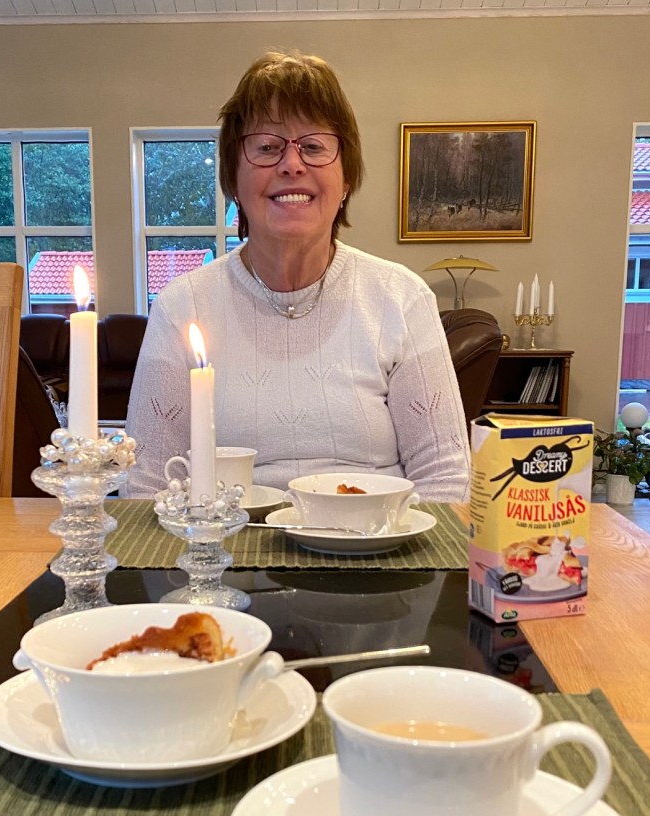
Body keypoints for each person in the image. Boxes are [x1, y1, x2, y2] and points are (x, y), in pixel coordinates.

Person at [125, 50, 470, 502]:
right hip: (225, 543)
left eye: (314, 146)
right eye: (267, 147)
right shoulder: (182, 306)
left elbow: (446, 479)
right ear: (233, 179)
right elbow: (146, 486)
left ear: (347, 179)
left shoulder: (402, 299)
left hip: (377, 541)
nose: (292, 164)